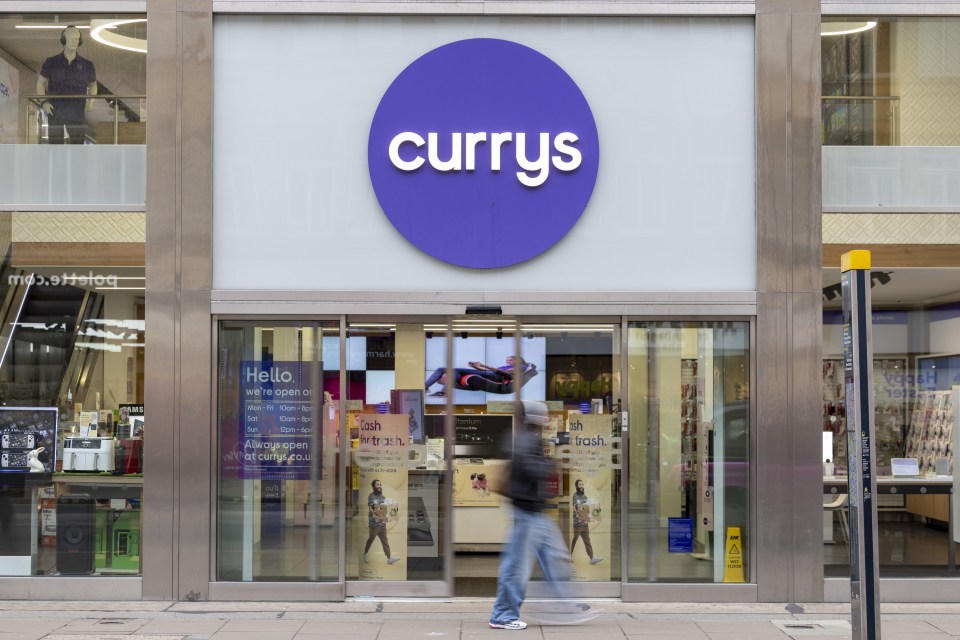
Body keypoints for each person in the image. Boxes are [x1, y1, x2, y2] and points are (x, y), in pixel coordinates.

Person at [489, 401, 597, 630]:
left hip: (535, 510)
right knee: (516, 567)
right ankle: (503, 615)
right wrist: (552, 465)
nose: (547, 420)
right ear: (537, 419)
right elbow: (531, 468)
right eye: (544, 417)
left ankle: (568, 603)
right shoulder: (526, 440)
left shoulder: (525, 437)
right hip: (527, 510)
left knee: (556, 558)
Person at [37, 25, 97, 144]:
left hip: (77, 112)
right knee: (55, 148)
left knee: (78, 148)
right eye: (70, 38)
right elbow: (40, 83)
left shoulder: (87, 65)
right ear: (64, 40)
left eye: (76, 38)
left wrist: (91, 102)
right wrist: (44, 102)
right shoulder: (51, 62)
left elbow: (93, 85)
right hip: (55, 111)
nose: (74, 41)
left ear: (80, 41)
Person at [425, 356, 537, 397]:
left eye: (510, 360)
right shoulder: (504, 366)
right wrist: (476, 367)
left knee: (445, 370)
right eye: (507, 360)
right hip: (490, 374)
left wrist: (482, 365)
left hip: (494, 377)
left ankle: (442, 391)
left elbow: (499, 373)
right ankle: (440, 390)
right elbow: (486, 371)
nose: (508, 361)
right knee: (454, 373)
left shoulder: (521, 366)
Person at [363, 479, 400, 565]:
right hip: (374, 524)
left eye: (380, 484)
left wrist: (393, 511)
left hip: (382, 523)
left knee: (385, 540)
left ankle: (389, 558)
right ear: (373, 487)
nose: (379, 486)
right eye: (377, 485)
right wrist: (376, 516)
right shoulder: (371, 496)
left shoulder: (383, 497)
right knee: (371, 539)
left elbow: (384, 510)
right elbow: (371, 509)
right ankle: (365, 553)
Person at [571, 479, 602, 565]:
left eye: (582, 484)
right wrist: (579, 511)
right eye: (580, 485)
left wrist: (596, 510)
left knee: (587, 540)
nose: (582, 486)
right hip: (577, 523)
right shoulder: (575, 496)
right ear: (577, 486)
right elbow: (575, 507)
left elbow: (589, 509)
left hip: (584, 523)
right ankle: (569, 555)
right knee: (574, 539)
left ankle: (591, 558)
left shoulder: (585, 497)